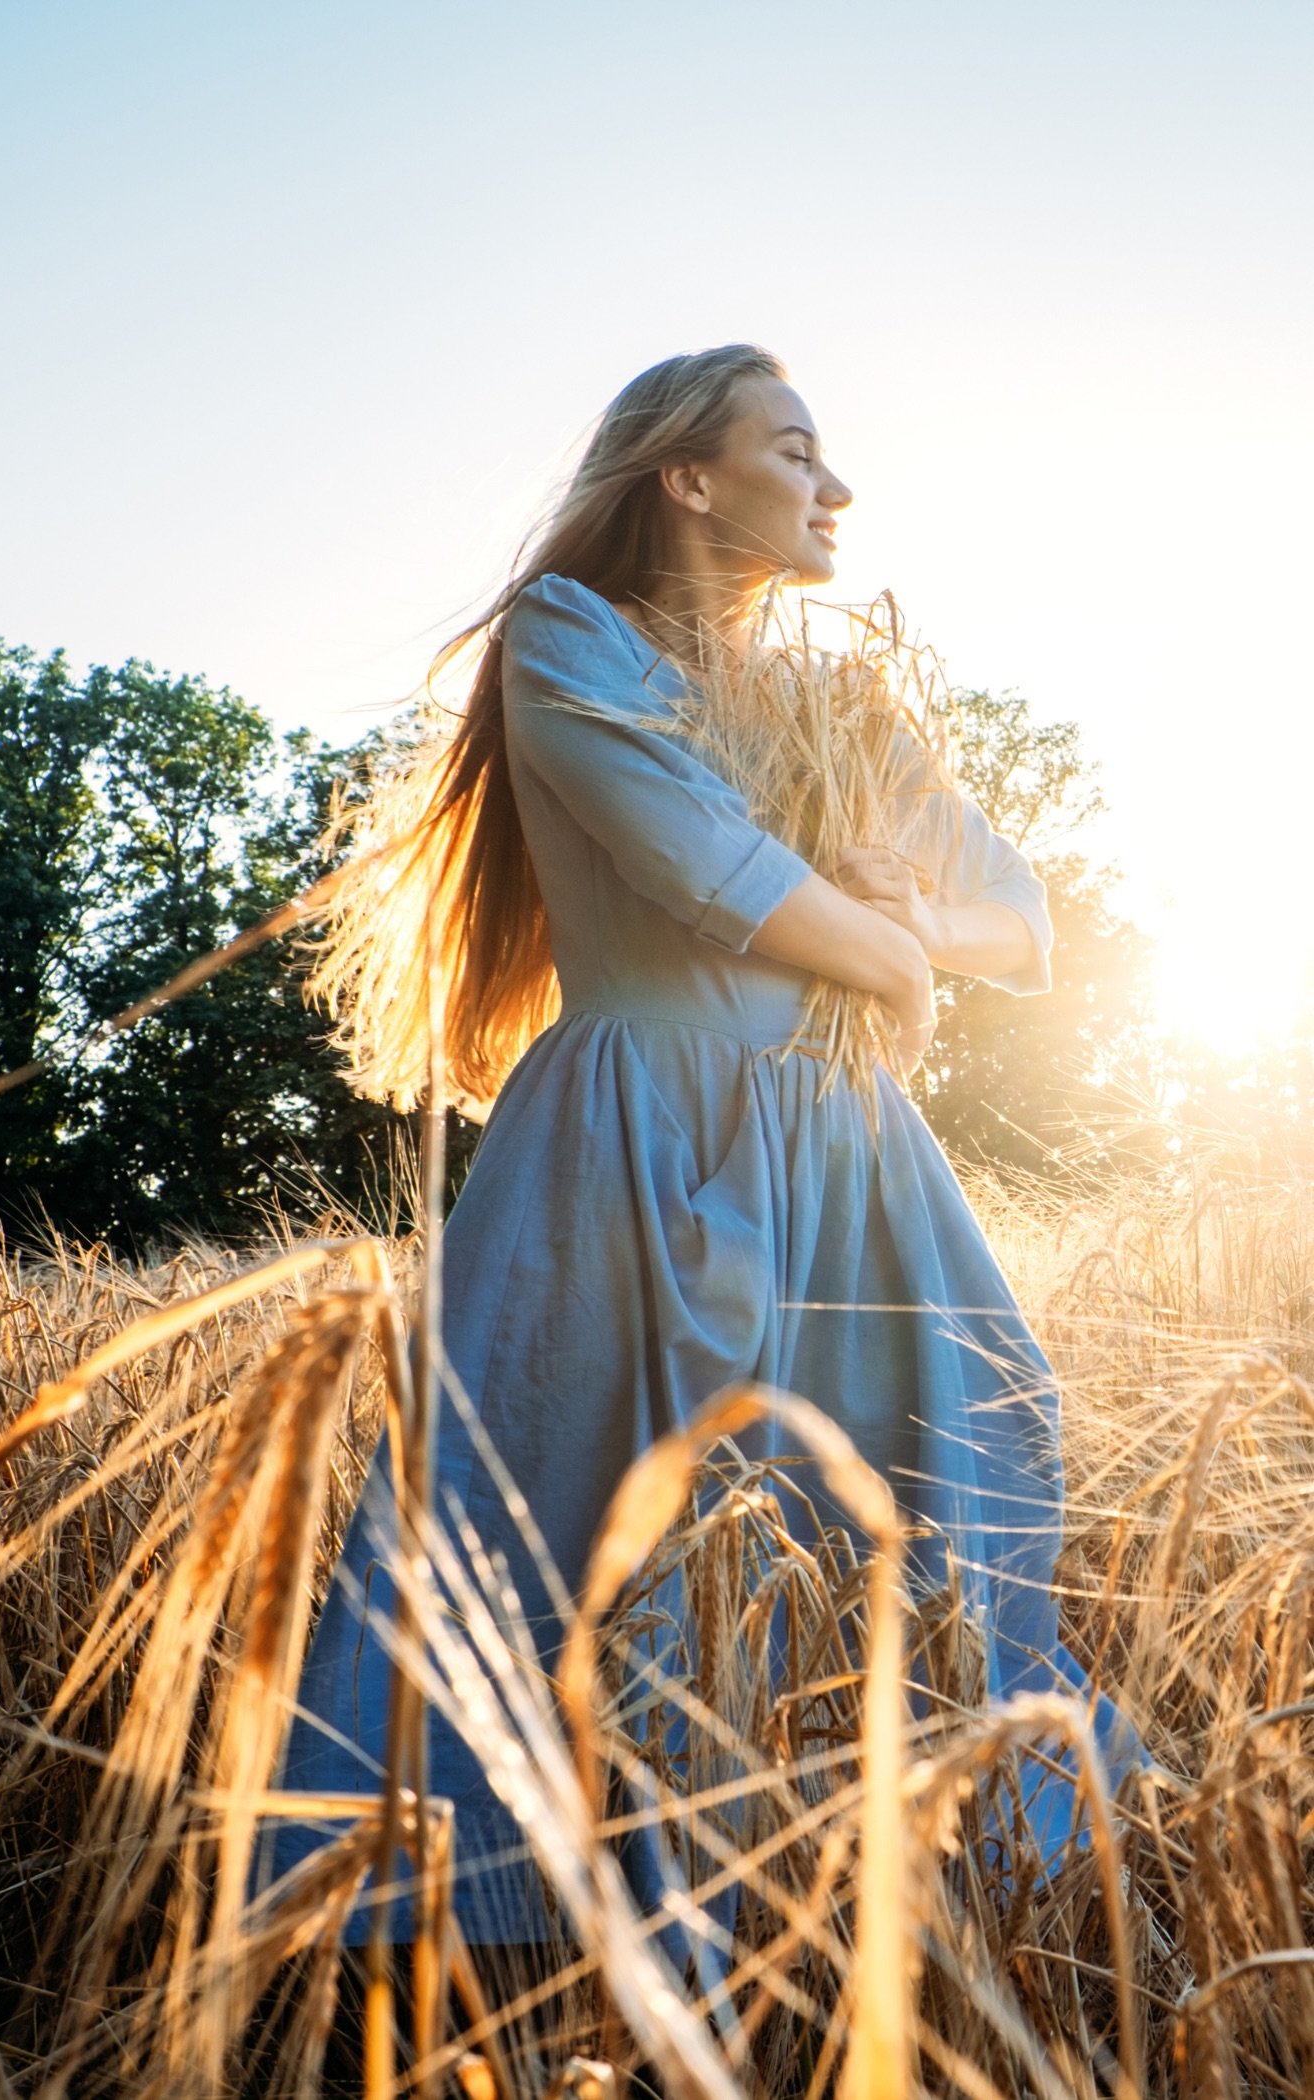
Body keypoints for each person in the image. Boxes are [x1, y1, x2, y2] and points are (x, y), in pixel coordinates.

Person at [262, 344, 1143, 1959]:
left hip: (852, 1148)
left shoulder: (844, 701)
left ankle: (905, 1891)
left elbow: (1022, 922)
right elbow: (705, 865)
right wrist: (888, 961)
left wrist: (923, 919)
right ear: (686, 476)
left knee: (961, 1456)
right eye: (795, 450)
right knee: (565, 1516)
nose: (837, 488)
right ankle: (517, 1925)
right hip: (634, 1141)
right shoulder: (568, 638)